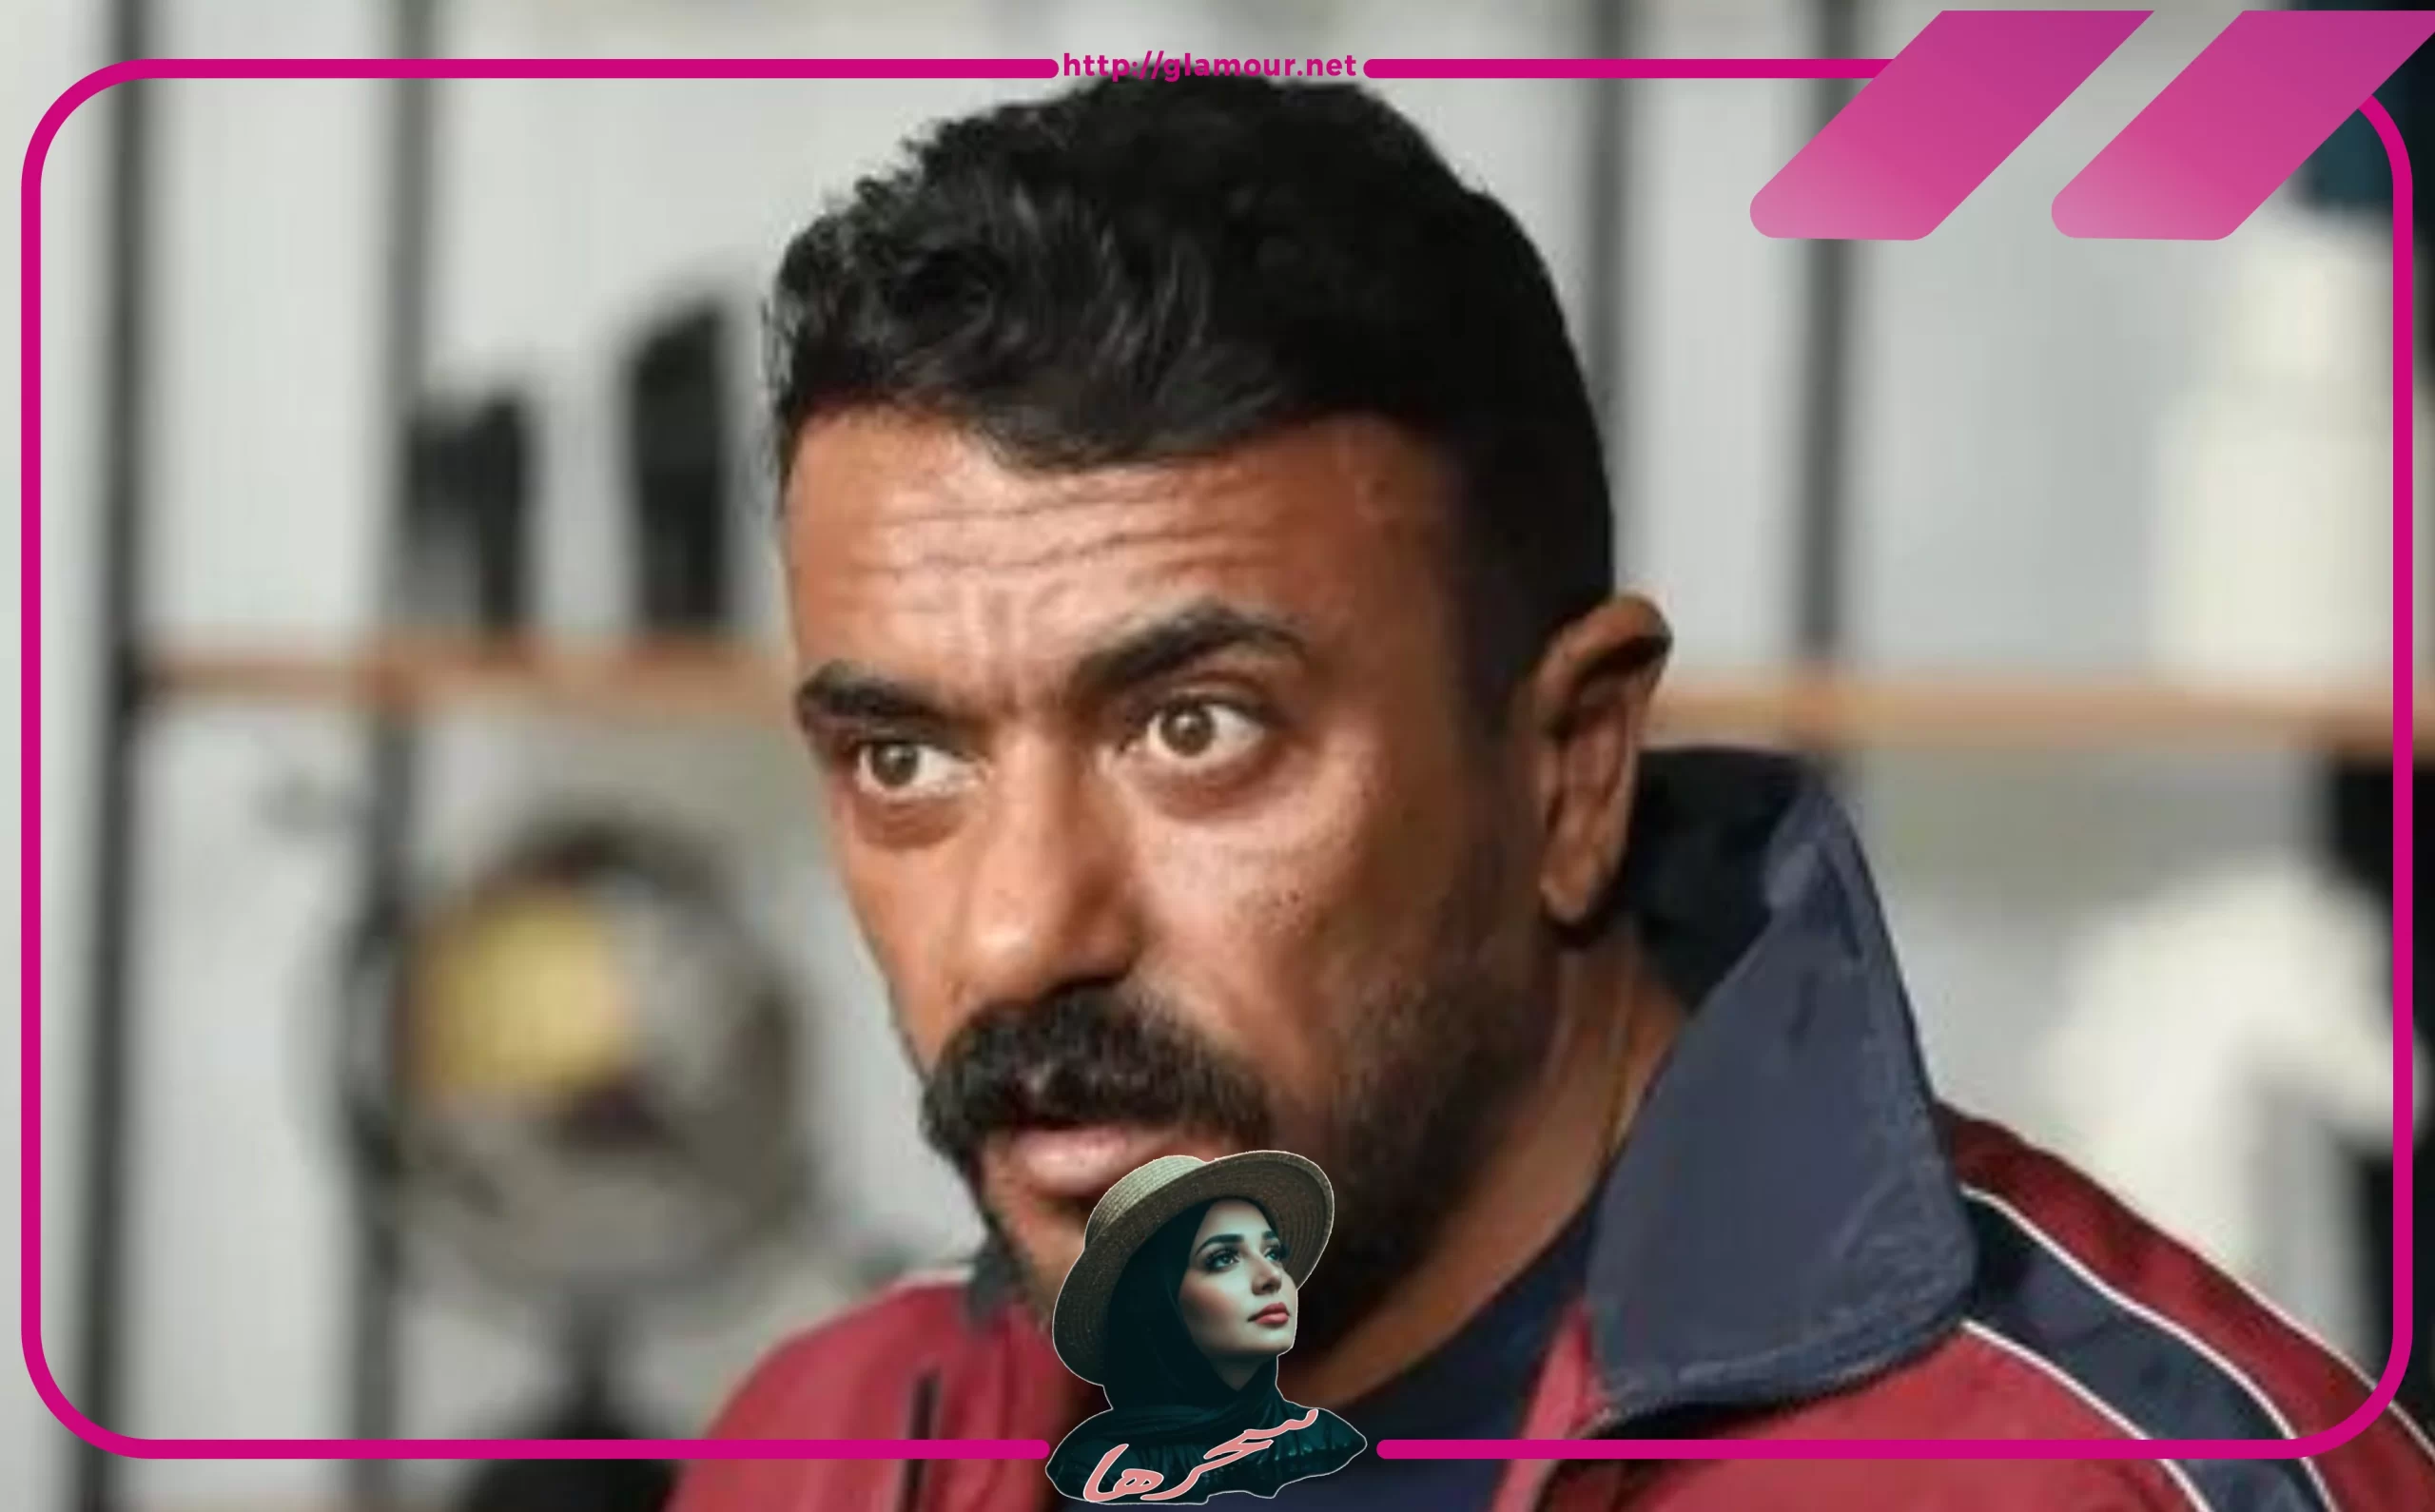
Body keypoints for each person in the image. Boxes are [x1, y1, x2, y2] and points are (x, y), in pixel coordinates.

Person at [671, 74, 2435, 1511]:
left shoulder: (2109, 1484)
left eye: (1195, 728)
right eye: (905, 759)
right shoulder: (833, 1448)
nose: (1016, 931)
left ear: (1572, 767)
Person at [1042, 1152, 1365, 1503]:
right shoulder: (1097, 1469)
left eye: (1273, 1253)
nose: (1272, 1276)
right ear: (1154, 1302)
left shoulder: (1323, 1440)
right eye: (1223, 1258)